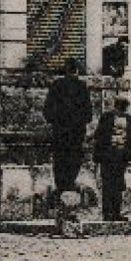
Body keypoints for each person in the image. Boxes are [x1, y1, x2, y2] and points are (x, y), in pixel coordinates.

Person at [42, 59, 92, 196]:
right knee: (74, 156)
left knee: (60, 157)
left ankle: (61, 186)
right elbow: (88, 112)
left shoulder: (56, 85)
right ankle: (70, 183)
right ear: (76, 71)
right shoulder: (82, 86)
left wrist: (55, 121)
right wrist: (81, 121)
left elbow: (47, 110)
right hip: (76, 130)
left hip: (60, 130)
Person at [93, 97, 131, 222]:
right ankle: (111, 213)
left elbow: (99, 136)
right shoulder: (113, 118)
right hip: (112, 157)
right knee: (113, 185)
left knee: (113, 185)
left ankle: (112, 213)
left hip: (115, 157)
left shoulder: (117, 118)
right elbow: (100, 136)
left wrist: (127, 153)